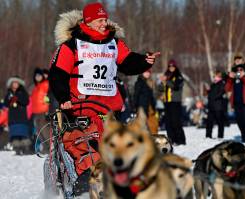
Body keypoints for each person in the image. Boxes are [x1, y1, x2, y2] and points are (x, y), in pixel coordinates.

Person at [48, 2, 160, 194]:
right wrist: (63, 97)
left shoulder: (113, 43)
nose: (104, 24)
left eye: (105, 20)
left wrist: (144, 61)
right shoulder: (71, 45)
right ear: (89, 22)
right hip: (80, 109)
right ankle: (84, 186)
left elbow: (127, 61)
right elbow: (57, 74)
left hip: (108, 110)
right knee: (83, 148)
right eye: (100, 20)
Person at [225, 64, 245, 142]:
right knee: (239, 121)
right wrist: (229, 78)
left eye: (241, 70)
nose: (239, 71)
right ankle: (244, 137)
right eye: (237, 70)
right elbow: (227, 88)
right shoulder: (234, 80)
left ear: (244, 71)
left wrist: (243, 77)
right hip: (236, 103)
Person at [159, 59, 186, 146]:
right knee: (168, 123)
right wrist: (161, 82)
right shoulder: (166, 75)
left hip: (175, 102)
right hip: (167, 102)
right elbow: (160, 88)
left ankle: (180, 140)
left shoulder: (179, 77)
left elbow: (176, 87)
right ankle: (172, 140)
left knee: (176, 122)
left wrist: (166, 81)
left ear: (175, 67)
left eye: (173, 66)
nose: (171, 68)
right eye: (170, 66)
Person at [4, 76, 31, 155]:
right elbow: (6, 104)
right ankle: (17, 149)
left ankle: (25, 149)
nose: (15, 84)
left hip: (21, 117)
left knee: (23, 135)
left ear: (19, 84)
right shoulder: (9, 93)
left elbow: (26, 101)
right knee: (15, 135)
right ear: (11, 84)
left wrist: (17, 98)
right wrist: (10, 99)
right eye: (14, 83)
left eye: (17, 83)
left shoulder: (23, 92)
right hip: (12, 117)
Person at [133, 69, 158, 134]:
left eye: (148, 72)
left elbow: (151, 96)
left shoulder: (150, 82)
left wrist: (154, 106)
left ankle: (153, 138)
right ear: (142, 73)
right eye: (145, 72)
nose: (147, 74)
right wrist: (134, 106)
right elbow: (136, 95)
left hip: (150, 107)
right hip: (141, 106)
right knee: (142, 124)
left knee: (153, 124)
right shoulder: (139, 82)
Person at [206, 70, 226, 139]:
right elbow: (210, 94)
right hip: (211, 106)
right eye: (214, 75)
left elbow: (220, 93)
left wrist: (212, 96)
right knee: (209, 122)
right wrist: (208, 91)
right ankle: (208, 135)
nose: (215, 77)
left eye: (216, 75)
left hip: (218, 106)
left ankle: (220, 136)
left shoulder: (222, 83)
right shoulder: (213, 84)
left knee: (220, 122)